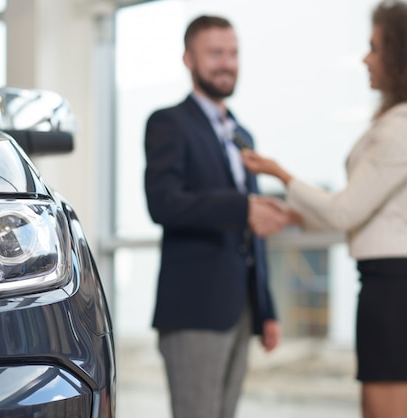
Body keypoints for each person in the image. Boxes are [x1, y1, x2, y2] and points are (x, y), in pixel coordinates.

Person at [240, 1, 407, 417]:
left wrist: (280, 173)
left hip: (397, 284)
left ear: (405, 55)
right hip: (399, 280)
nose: (366, 58)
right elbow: (365, 211)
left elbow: (345, 213)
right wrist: (292, 215)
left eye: (375, 48)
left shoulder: (406, 125)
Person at [143, 15, 289, 418]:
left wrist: (267, 309)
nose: (227, 63)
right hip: (194, 306)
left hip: (240, 305)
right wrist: (241, 207)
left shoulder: (243, 134)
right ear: (189, 59)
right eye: (215, 54)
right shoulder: (169, 123)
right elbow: (163, 203)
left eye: (233, 53)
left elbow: (254, 231)